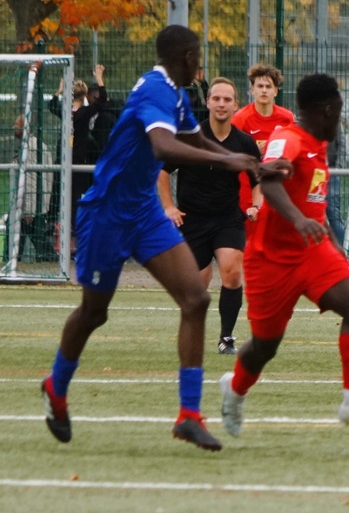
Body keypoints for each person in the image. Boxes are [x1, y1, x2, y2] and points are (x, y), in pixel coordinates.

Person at [40, 25, 264, 451]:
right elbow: (163, 147)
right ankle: (56, 386)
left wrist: (247, 162)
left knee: (195, 300)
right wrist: (231, 161)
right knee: (94, 313)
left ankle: (189, 415)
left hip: (143, 213)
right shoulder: (156, 91)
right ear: (186, 58)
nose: (199, 64)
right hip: (107, 214)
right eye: (197, 56)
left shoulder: (175, 94)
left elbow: (195, 140)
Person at [218, 73, 349, 437]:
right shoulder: (287, 137)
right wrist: (297, 220)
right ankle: (235, 389)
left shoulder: (317, 145)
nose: (340, 119)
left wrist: (334, 248)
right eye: (339, 111)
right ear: (326, 110)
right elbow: (270, 181)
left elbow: (312, 201)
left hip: (311, 251)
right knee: (265, 345)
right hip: (270, 260)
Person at [157, 77, 263, 356]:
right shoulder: (190, 138)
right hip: (192, 219)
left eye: (227, 99)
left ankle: (226, 338)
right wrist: (169, 207)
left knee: (232, 270)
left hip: (228, 218)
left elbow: (257, 180)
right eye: (216, 98)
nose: (221, 104)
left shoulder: (244, 142)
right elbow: (162, 171)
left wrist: (256, 205)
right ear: (208, 102)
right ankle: (193, 333)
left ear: (236, 104)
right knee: (197, 285)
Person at [232, 63, 295, 226]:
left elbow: (293, 149)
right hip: (248, 190)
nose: (264, 90)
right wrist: (254, 151)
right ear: (252, 90)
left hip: (276, 187)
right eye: (260, 86)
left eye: (268, 86)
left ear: (276, 91)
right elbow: (231, 152)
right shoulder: (240, 118)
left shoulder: (287, 118)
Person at [48, 64, 108, 231]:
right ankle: (75, 226)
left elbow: (52, 105)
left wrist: (60, 90)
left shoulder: (66, 112)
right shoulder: (85, 113)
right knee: (77, 194)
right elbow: (102, 100)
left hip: (64, 157)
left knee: (61, 193)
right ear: (84, 96)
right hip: (79, 159)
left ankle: (57, 221)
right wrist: (99, 78)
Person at [10, 113, 56, 261]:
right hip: (39, 205)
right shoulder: (40, 145)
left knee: (24, 238)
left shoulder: (29, 149)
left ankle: (13, 261)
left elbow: (30, 180)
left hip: (30, 207)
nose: (13, 128)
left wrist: (28, 210)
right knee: (36, 240)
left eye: (16, 126)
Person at [325, 119, 346, 245]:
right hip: (312, 172)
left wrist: (338, 168)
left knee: (333, 214)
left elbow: (341, 144)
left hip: (331, 172)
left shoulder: (334, 121)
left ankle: (339, 250)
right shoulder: (306, 119)